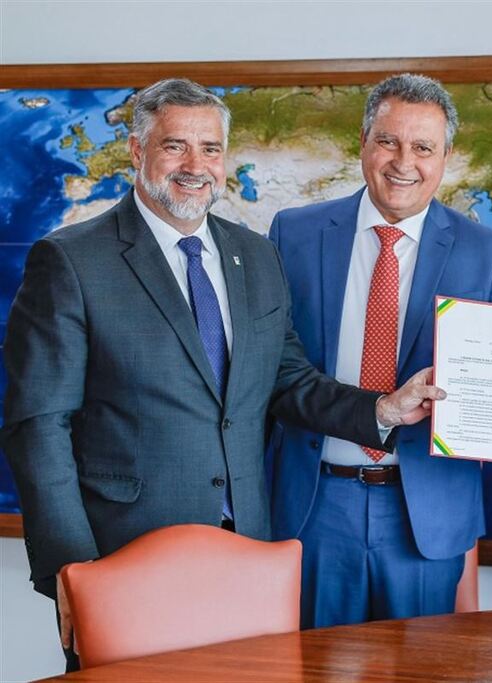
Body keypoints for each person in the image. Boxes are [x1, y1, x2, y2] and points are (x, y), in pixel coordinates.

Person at [1, 78, 440, 669]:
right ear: (137, 151)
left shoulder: (254, 255)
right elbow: (38, 425)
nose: (195, 165)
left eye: (210, 149)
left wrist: (382, 410)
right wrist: (70, 568)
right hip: (123, 557)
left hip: (245, 555)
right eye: (175, 146)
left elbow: (287, 381)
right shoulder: (73, 261)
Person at [266, 73, 492, 627]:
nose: (404, 161)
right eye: (388, 141)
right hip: (314, 507)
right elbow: (276, 372)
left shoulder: (486, 251)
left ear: (446, 157)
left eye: (423, 147)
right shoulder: (294, 234)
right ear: (363, 142)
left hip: (424, 511)